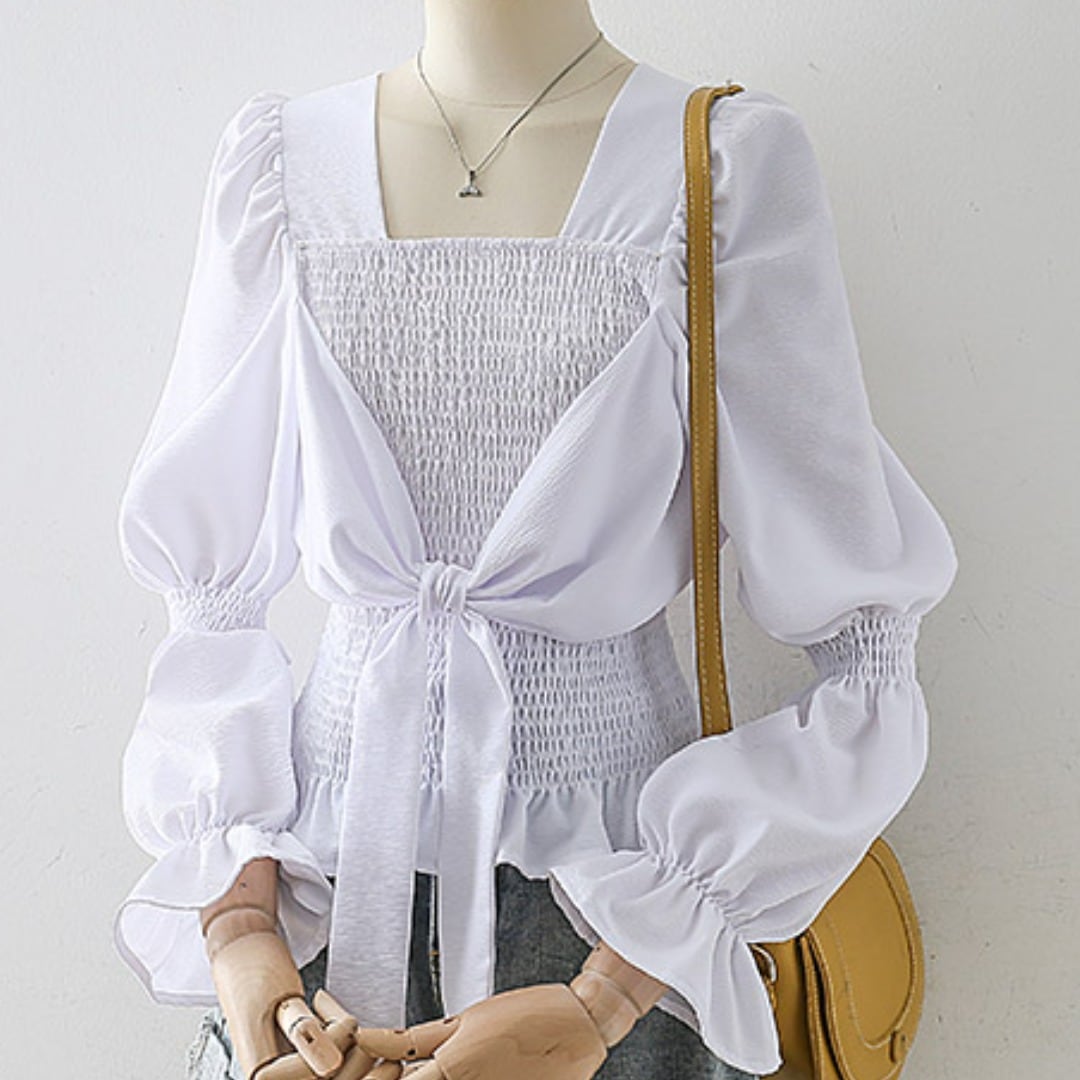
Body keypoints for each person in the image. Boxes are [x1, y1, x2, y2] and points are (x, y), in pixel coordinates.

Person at [112, 9, 959, 1080]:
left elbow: (870, 656)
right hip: (312, 921)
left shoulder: (717, 166)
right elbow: (209, 601)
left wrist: (602, 1000)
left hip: (609, 924)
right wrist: (241, 936)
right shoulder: (279, 167)